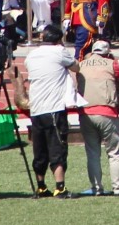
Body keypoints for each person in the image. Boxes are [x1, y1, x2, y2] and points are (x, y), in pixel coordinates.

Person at [23, 25, 79, 199]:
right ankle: (59, 187)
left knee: (39, 150)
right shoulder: (59, 52)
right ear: (58, 40)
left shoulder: (31, 55)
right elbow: (76, 67)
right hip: (54, 107)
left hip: (36, 108)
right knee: (58, 148)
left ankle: (41, 186)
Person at [76, 40, 119, 196]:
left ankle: (96, 188)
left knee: (92, 153)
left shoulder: (81, 65)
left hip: (86, 113)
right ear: (107, 52)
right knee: (114, 153)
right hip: (107, 112)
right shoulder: (112, 64)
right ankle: (118, 188)